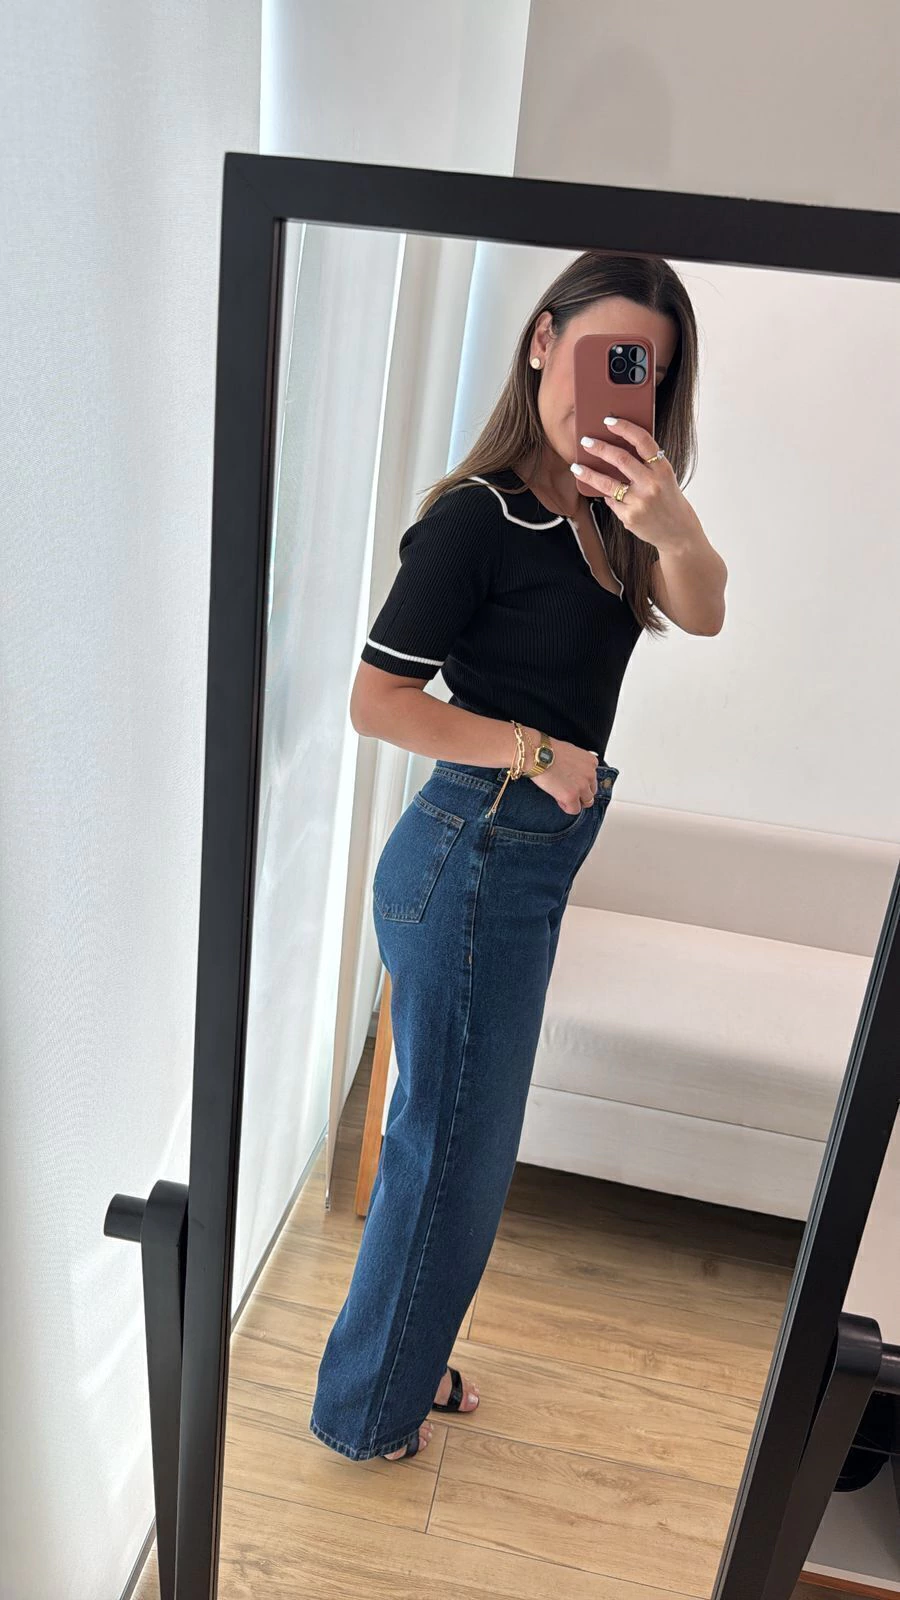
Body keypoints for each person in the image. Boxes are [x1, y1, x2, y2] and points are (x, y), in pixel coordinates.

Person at [308, 250, 728, 1463]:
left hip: (512, 866)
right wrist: (538, 748)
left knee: (456, 1151)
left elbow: (705, 609)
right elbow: (377, 702)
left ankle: (396, 1361)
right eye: (603, 353)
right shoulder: (476, 519)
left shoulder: (614, 516)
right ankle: (365, 1413)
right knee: (451, 1155)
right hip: (473, 857)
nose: (620, 386)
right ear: (543, 342)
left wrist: (676, 523)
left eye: (646, 368)